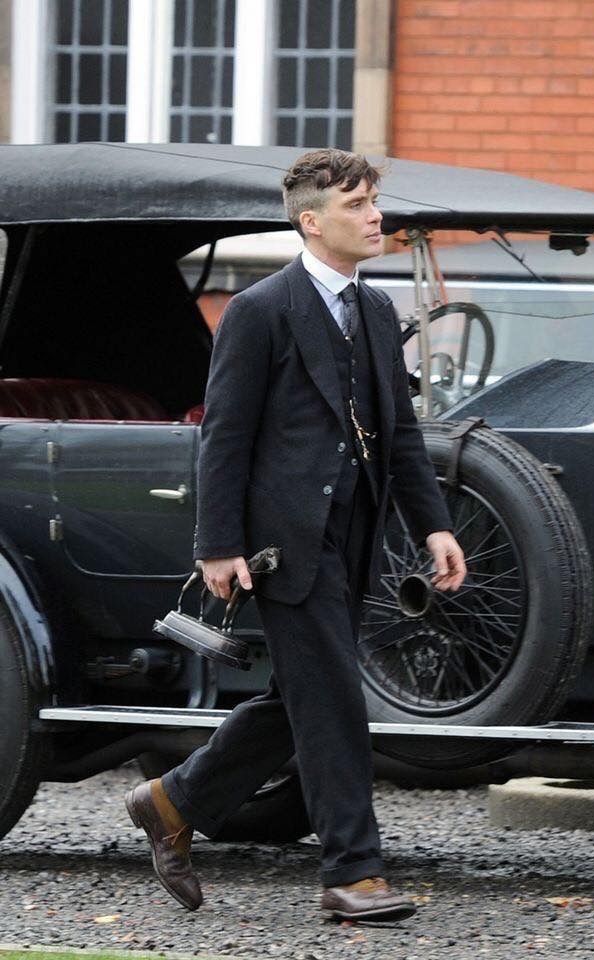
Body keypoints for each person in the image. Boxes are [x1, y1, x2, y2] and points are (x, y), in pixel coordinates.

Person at [125, 148, 466, 923]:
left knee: (301, 698)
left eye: (375, 201)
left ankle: (172, 802)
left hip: (358, 537)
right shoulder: (259, 309)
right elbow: (225, 436)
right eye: (356, 206)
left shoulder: (376, 311)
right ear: (312, 222)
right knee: (336, 702)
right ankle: (354, 873)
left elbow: (399, 436)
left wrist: (434, 526)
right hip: (285, 545)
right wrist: (217, 544)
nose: (376, 216)